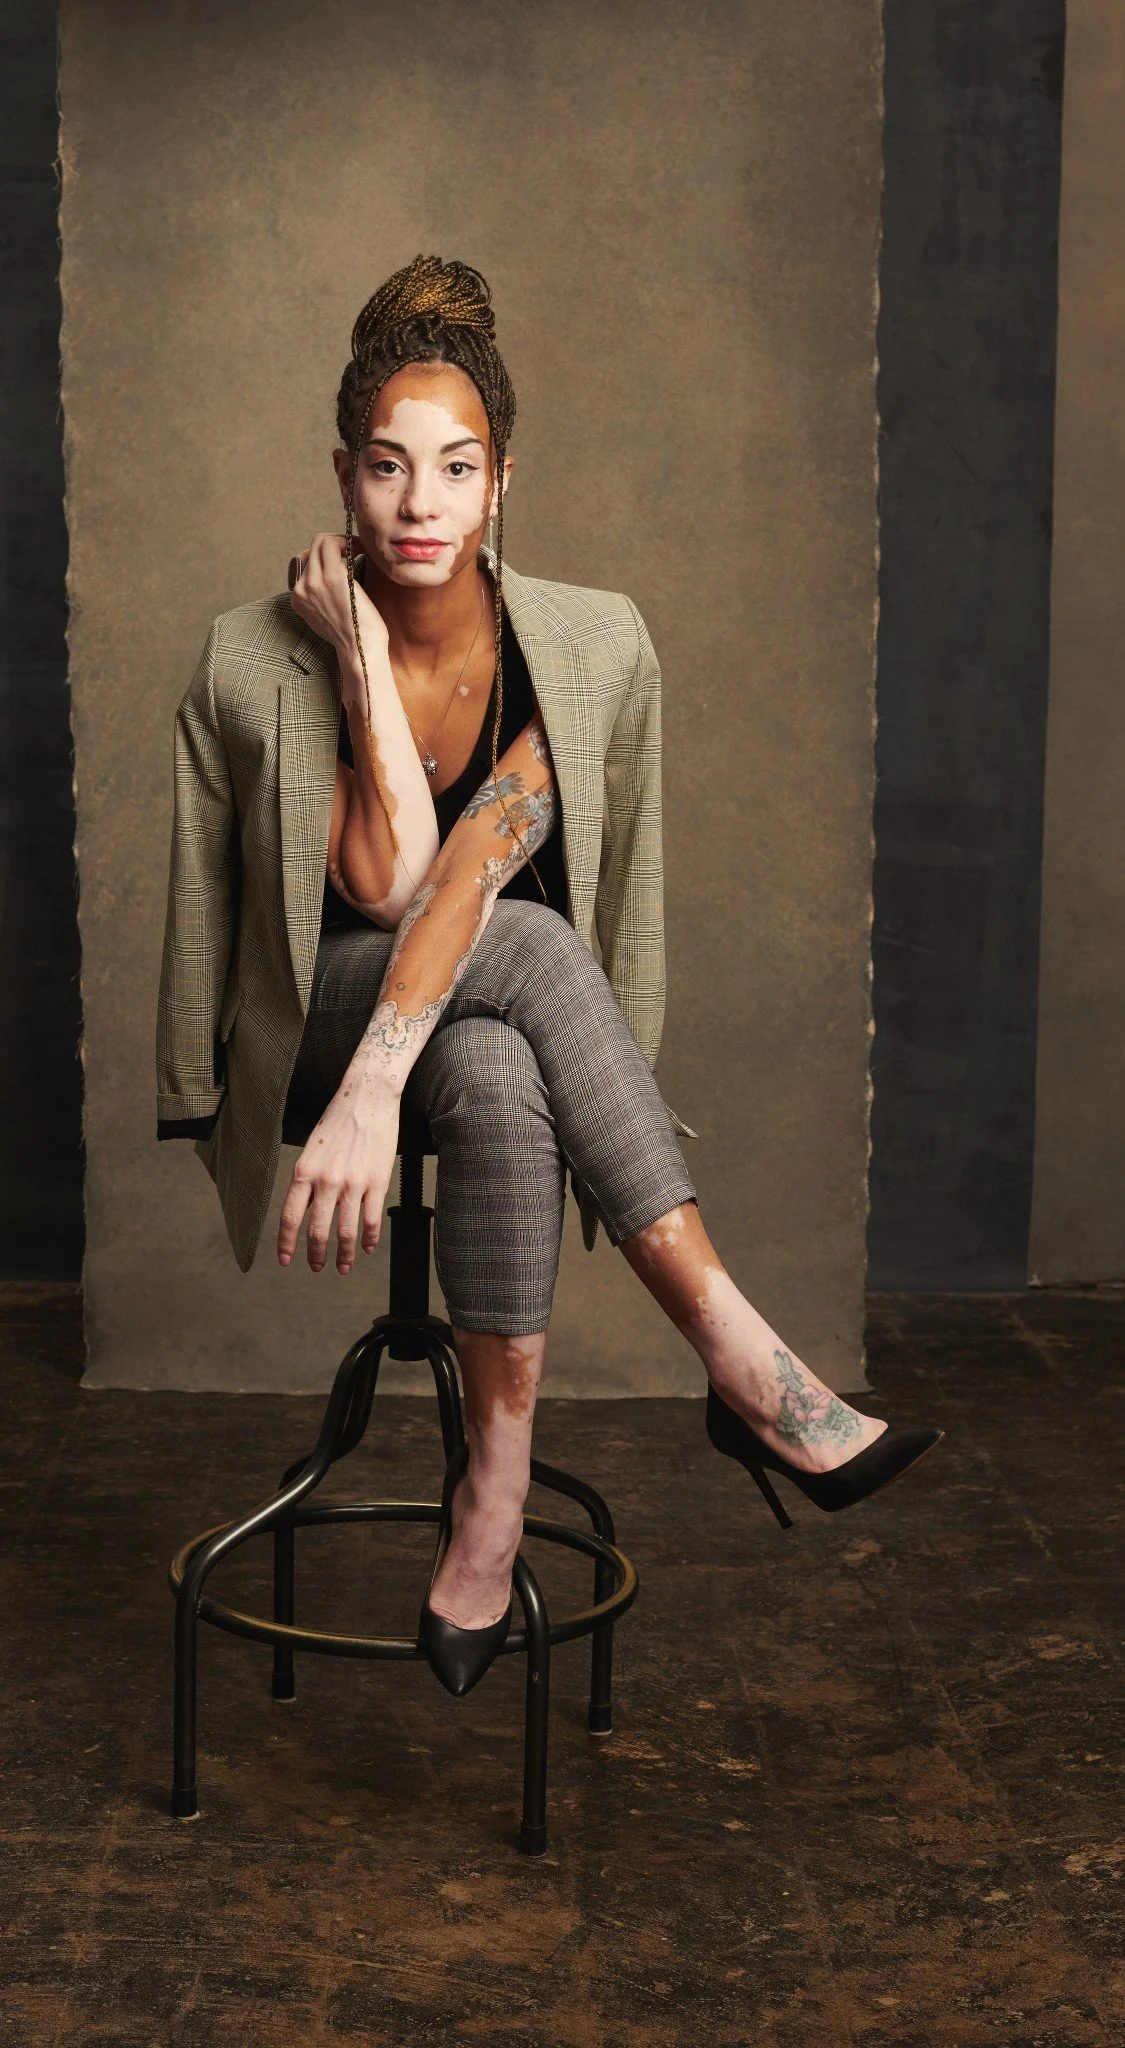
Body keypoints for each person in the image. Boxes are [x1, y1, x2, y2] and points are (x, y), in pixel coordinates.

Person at [157, 255, 941, 1698]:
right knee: (527, 941)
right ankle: (750, 1371)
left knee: (501, 1055)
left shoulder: (585, 652)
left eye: (456, 468)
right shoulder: (258, 664)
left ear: (503, 478)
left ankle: (491, 1505)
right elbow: (388, 887)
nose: (419, 504)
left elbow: (466, 878)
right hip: (317, 1030)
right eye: (388, 468)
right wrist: (354, 671)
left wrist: (399, 1078)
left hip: (467, 1029)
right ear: (344, 474)